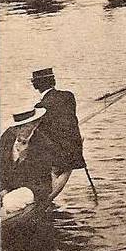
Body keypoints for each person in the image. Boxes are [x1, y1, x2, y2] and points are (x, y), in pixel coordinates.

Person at [30, 67, 86, 199]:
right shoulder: (68, 96)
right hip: (74, 149)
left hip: (60, 155)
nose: (32, 84)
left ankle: (40, 191)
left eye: (33, 81)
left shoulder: (41, 106)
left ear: (37, 85)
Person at [0, 108, 57, 209]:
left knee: (9, 201)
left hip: (34, 188)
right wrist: (2, 189)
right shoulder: (7, 137)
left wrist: (23, 157)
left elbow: (36, 177)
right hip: (7, 187)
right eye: (17, 127)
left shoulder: (44, 144)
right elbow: (0, 166)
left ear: (35, 124)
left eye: (25, 126)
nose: (20, 131)